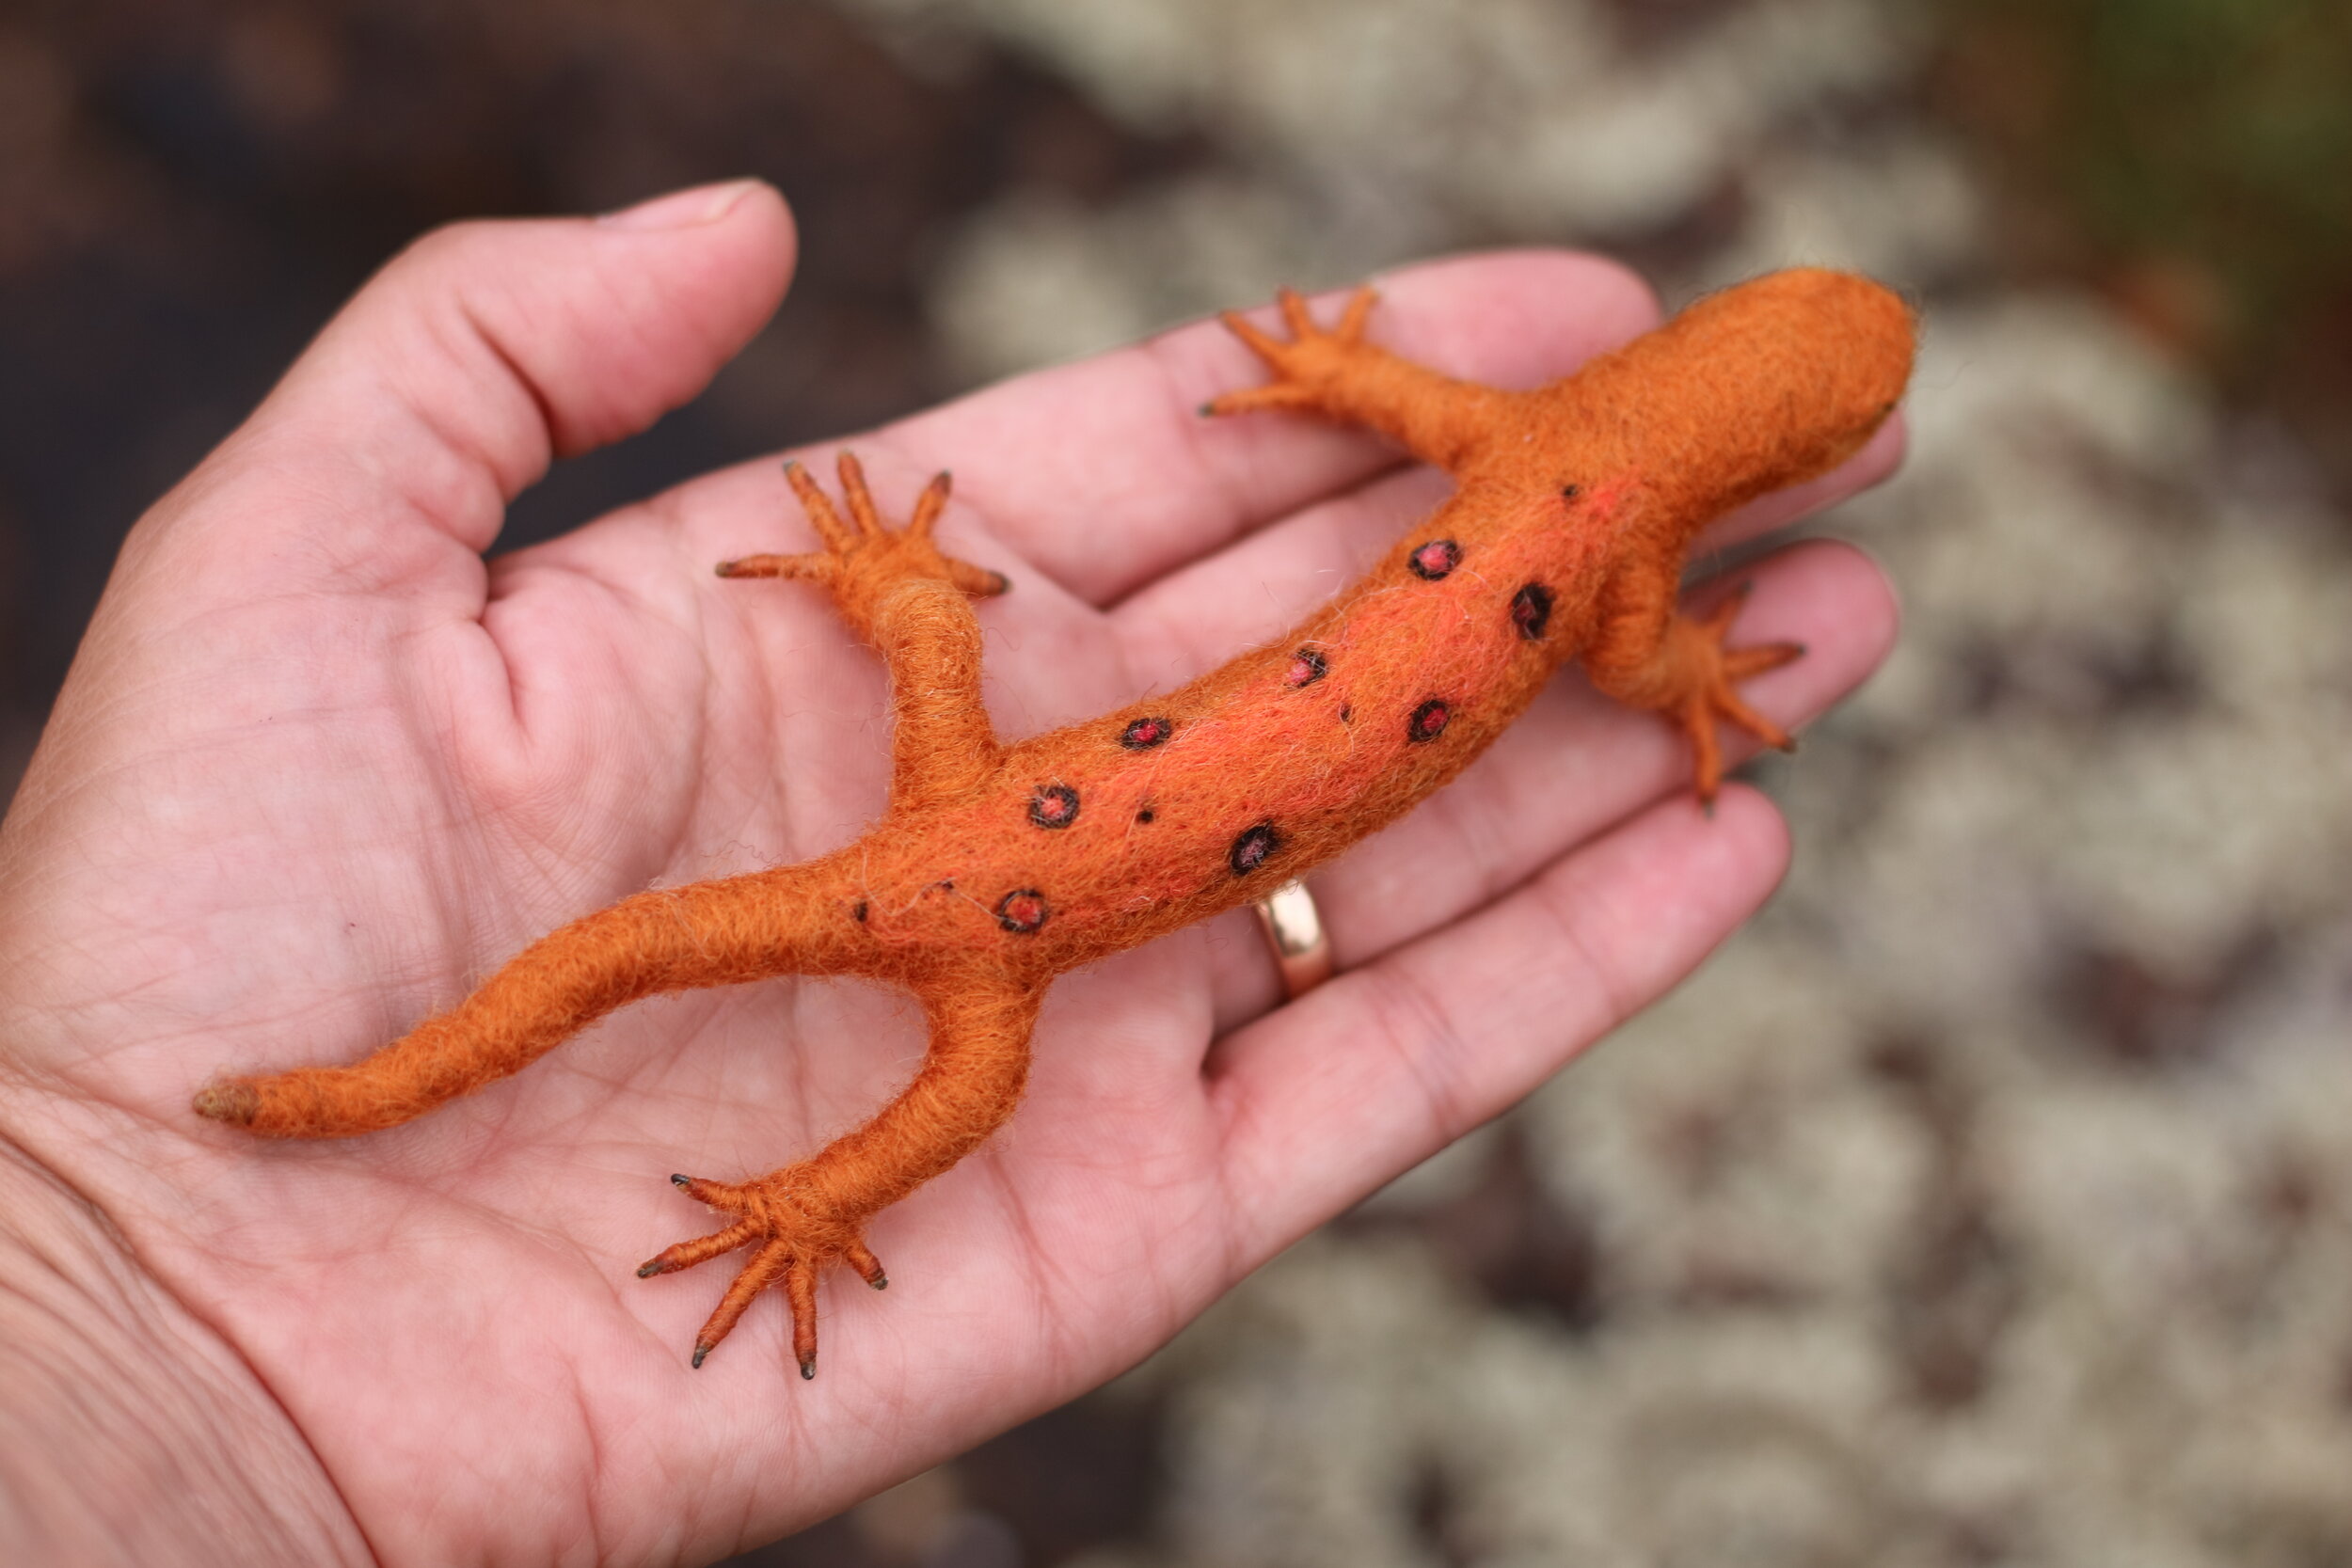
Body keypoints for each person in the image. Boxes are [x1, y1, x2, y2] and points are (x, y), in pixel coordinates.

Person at [0, 179, 1899, 1565]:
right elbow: (1638, 663)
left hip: (972, 809)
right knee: (959, 1077)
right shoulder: (1620, 545)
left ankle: (894, 611)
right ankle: (784, 1193)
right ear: (1733, 436)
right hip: (982, 899)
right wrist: (1680, 678)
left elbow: (1404, 409)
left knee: (885, 1011)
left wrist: (1328, 366)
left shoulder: (1541, 435)